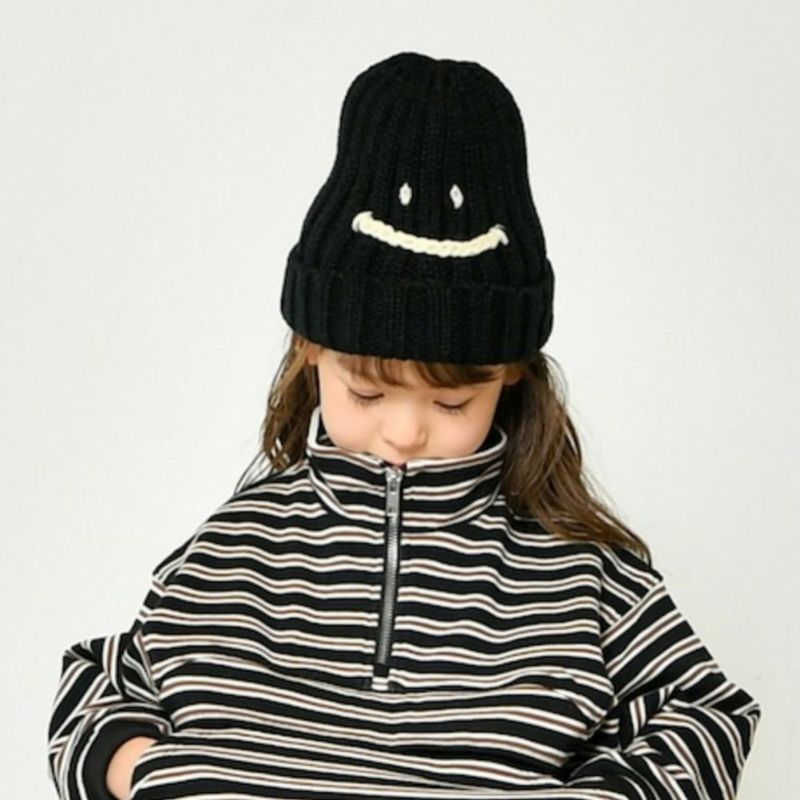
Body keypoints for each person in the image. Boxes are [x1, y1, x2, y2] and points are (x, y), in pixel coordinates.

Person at [46, 52, 760, 800]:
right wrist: (148, 773)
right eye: (366, 393)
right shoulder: (235, 549)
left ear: (511, 376)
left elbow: (707, 715)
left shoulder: (582, 577)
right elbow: (100, 689)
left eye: (452, 404)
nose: (406, 431)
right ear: (310, 352)